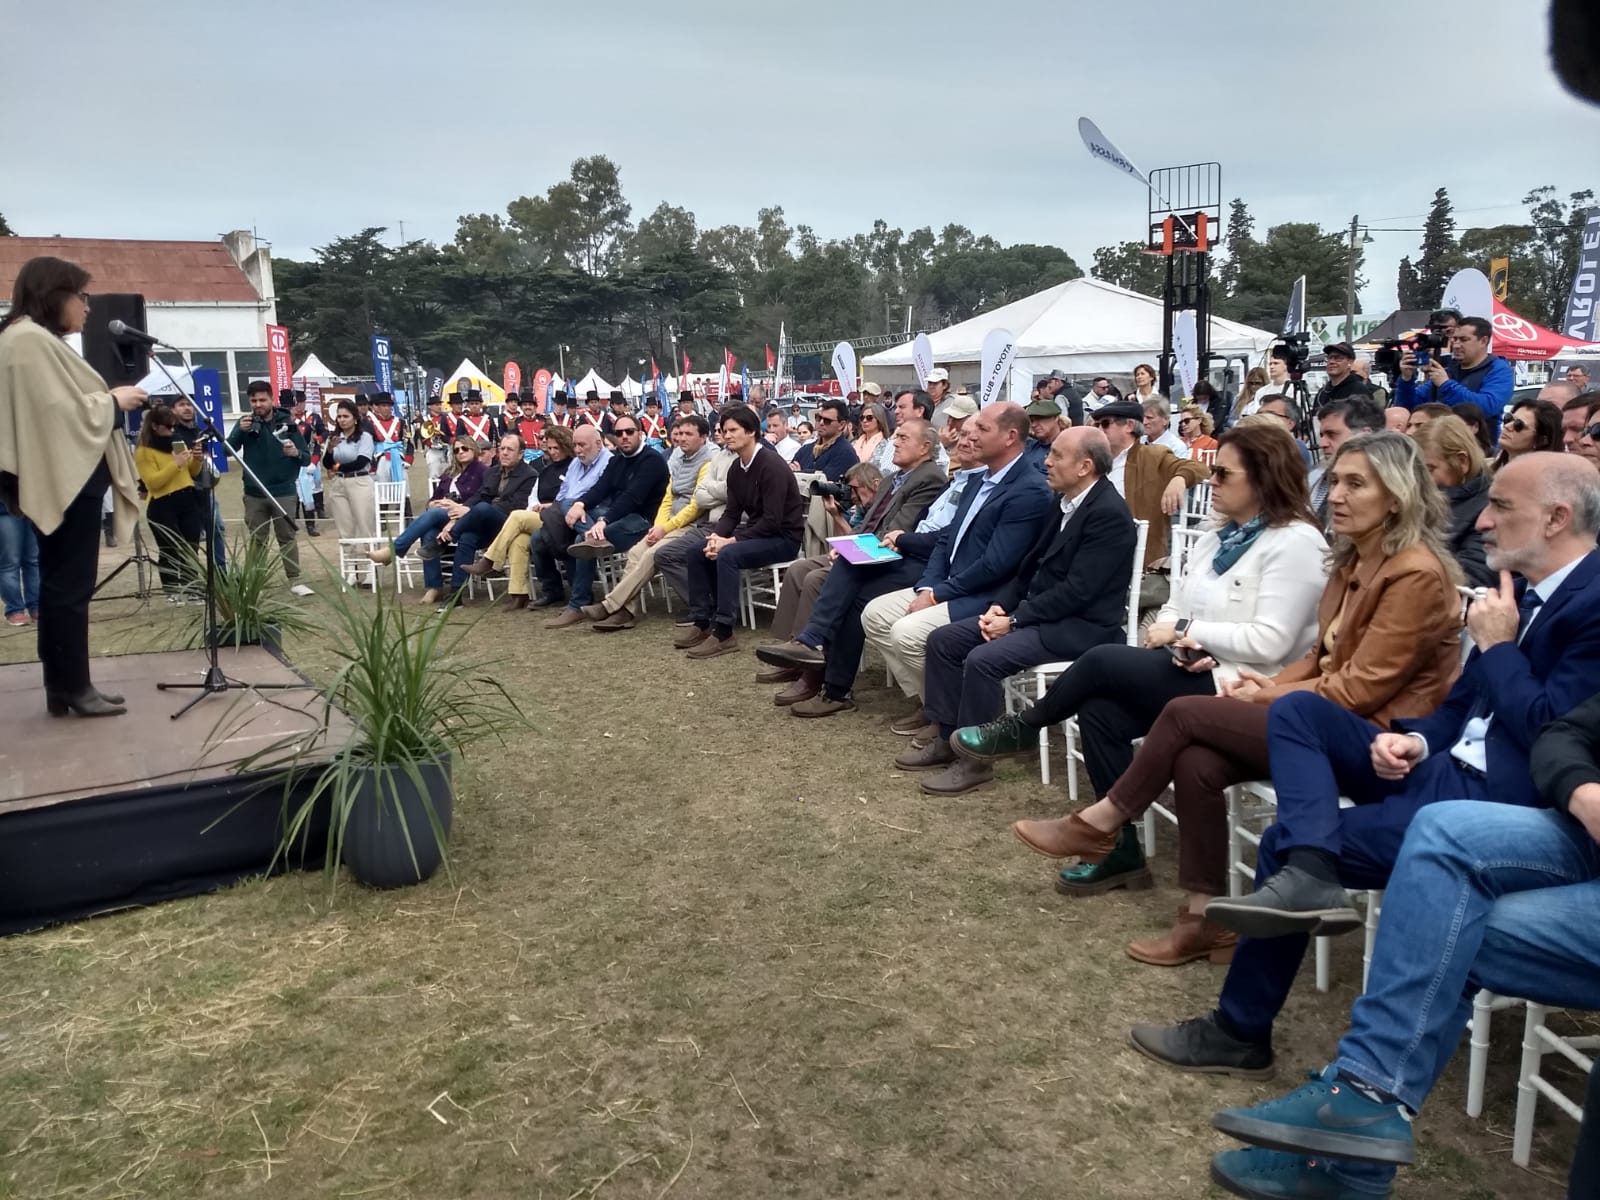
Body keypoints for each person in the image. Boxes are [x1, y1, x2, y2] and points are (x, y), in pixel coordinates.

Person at [1130, 455, 1600, 1117]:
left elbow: (1554, 733)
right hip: (1435, 771)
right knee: (1297, 723)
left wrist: (1497, 648)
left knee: (1279, 840)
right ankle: (1311, 876)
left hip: (1494, 810)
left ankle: (1242, 1027)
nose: (1485, 521)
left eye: (1501, 507)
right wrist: (1417, 738)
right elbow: (1460, 706)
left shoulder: (1588, 602)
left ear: (1557, 518)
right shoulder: (1513, 591)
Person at [1010, 433, 1464, 932]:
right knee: (1191, 756)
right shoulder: (1354, 558)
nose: (1334, 494)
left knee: (1145, 691)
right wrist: (1244, 677)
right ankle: (1203, 918)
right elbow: (1318, 657)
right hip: (1301, 709)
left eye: (1354, 484)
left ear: (1398, 496)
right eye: (1333, 480)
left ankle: (1098, 816)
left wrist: (1262, 688)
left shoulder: (1410, 572)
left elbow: (1355, 688)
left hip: (1379, 743)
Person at [1202, 689, 1600, 1199]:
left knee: (1444, 919)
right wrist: (1584, 790)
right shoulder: (1519, 605)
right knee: (1441, 848)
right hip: (1574, 824)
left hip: (1504, 789)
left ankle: (1354, 1126)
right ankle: (1359, 1117)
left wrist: (1499, 646)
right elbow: (1567, 731)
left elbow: (1374, 678)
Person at [956, 425, 1326, 957]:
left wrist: (1186, 635)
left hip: (1245, 686)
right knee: (1102, 713)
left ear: (1266, 479)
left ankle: (1027, 732)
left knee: (1102, 661)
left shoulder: (1294, 543)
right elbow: (1177, 602)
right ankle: (1125, 853)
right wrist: (1179, 632)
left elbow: (1273, 641)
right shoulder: (1223, 536)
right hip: (1193, 666)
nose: (1211, 481)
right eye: (1213, 470)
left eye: (1223, 473)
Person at [909, 427, 1139, 793]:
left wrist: (1014, 620)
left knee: (982, 660)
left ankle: (975, 763)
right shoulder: (1062, 501)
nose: (1046, 461)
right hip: (1035, 615)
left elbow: (1078, 592)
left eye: (1057, 456)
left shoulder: (1108, 514)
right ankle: (948, 735)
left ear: (1085, 466)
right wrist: (1001, 605)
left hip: (1078, 627)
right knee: (944, 641)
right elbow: (1028, 567)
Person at [799, 403, 1052, 720]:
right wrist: (930, 585)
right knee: (871, 612)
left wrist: (935, 593)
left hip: (984, 595)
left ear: (1010, 437)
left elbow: (996, 565)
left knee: (898, 624)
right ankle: (933, 700)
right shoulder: (976, 480)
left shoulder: (1028, 489)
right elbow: (947, 539)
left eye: (981, 431)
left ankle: (946, 711)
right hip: (944, 577)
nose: (968, 438)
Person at [0, 257, 143, 717]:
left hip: (73, 479)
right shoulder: (26, 341)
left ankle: (66, 684)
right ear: (53, 295)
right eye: (81, 297)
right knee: (67, 586)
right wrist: (113, 401)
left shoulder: (34, 340)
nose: (87, 308)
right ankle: (71, 686)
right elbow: (55, 416)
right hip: (64, 481)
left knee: (66, 585)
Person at [759, 420, 946, 704]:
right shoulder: (894, 477)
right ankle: (801, 657)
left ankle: (813, 654)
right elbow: (869, 522)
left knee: (822, 579)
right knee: (800, 569)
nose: (894, 442)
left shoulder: (929, 478)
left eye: (903, 437)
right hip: (872, 551)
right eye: (896, 436)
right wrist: (846, 544)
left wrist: (852, 549)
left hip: (899, 557)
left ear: (925, 447)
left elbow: (898, 531)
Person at [676, 405, 803, 658]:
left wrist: (730, 541)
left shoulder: (771, 465)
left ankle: (724, 632)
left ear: (752, 432)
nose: (727, 435)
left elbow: (773, 520)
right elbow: (732, 513)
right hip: (758, 532)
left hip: (783, 537)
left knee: (728, 554)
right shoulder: (736, 468)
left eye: (733, 430)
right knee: (696, 550)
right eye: (724, 430)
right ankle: (703, 621)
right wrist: (717, 537)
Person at [576, 413, 717, 631]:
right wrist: (658, 525)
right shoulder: (679, 458)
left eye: (690, 434)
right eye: (681, 434)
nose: (683, 439)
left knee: (652, 554)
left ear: (704, 437)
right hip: (667, 523)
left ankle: (610, 605)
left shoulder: (707, 462)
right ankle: (626, 612)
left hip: (693, 525)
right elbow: (668, 497)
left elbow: (696, 506)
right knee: (635, 553)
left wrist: (665, 527)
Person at [541, 412, 669, 627]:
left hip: (644, 520)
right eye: (619, 433)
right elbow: (600, 488)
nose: (624, 436)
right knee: (570, 507)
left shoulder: (652, 460)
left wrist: (604, 521)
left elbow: (632, 498)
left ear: (640, 433)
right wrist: (580, 505)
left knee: (583, 537)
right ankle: (593, 544)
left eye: (629, 432)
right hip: (616, 515)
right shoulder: (617, 459)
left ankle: (578, 604)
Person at [455, 427, 572, 610]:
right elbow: (534, 494)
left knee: (517, 516)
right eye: (550, 448)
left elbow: (574, 495)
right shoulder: (546, 470)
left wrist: (550, 506)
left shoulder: (573, 467)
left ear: (567, 446)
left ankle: (490, 561)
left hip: (562, 516)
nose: (553, 452)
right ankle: (520, 594)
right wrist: (534, 506)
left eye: (557, 448)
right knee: (519, 540)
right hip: (539, 515)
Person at [1088, 400, 1210, 575]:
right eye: (1097, 425)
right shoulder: (1094, 459)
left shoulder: (1152, 455)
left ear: (1129, 425)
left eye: (1105, 424)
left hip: (1134, 555)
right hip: (1094, 545)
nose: (1099, 430)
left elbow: (1199, 468)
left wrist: (1179, 479)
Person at [368, 438, 488, 603]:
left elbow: (482, 497)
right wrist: (433, 503)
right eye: (456, 450)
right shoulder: (449, 472)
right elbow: (434, 498)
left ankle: (394, 550)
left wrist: (455, 505)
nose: (460, 452)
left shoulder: (482, 471)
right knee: (429, 531)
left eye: (465, 448)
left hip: (466, 518)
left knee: (433, 515)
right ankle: (434, 587)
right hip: (443, 517)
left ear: (474, 450)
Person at [227, 381, 309, 590]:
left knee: (287, 537)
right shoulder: (244, 423)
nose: (258, 404)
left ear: (272, 399)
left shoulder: (288, 423)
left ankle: (294, 580)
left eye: (262, 400)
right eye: (254, 400)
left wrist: (295, 453)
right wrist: (239, 432)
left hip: (283, 491)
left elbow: (306, 458)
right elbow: (227, 450)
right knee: (257, 539)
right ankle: (256, 581)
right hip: (254, 493)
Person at [435, 434, 538, 596]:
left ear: (521, 454)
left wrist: (477, 510)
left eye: (510, 450)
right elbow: (480, 495)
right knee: (468, 537)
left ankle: (446, 539)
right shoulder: (492, 472)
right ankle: (455, 594)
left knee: (483, 508)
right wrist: (465, 508)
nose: (504, 453)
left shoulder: (530, 475)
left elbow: (516, 505)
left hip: (510, 523)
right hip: (486, 524)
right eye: (502, 449)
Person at [1395, 316, 1515, 439]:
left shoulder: (1499, 370)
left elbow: (1487, 407)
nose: (1456, 345)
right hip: (1439, 446)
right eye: (1455, 339)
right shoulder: (1449, 370)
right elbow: (1408, 408)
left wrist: (1446, 385)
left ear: (1483, 341)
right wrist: (1406, 379)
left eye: (1464, 339)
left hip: (1478, 450)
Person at [134, 405, 207, 603]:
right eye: (168, 426)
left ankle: (193, 587)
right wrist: (175, 464)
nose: (172, 430)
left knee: (191, 546)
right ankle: (172, 588)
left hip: (187, 499)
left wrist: (197, 460)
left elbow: (190, 472)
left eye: (174, 426)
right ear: (155, 426)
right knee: (170, 548)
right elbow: (153, 482)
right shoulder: (143, 452)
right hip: (162, 503)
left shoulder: (177, 443)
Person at [1413, 415, 1495, 587]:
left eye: (1430, 469)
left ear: (1462, 461)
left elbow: (1474, 576)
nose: (1421, 479)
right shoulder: (1420, 496)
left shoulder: (1492, 508)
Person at [1308, 397, 1385, 522]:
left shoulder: (1385, 481)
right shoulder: (1314, 477)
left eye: (1332, 434)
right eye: (1322, 435)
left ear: (1364, 435)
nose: (1322, 443)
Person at [321, 400, 378, 554]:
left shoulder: (364, 437)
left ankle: (369, 568)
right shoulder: (333, 438)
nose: (342, 420)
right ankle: (351, 568)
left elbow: (361, 462)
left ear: (355, 418)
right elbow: (327, 463)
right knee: (344, 527)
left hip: (359, 481)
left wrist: (337, 466)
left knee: (365, 525)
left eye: (346, 416)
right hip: (339, 483)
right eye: (339, 417)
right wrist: (331, 450)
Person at [792, 398, 859, 481]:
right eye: (818, 418)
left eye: (827, 421)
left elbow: (825, 482)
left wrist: (799, 474)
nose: (821, 423)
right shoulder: (805, 449)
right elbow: (789, 475)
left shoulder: (845, 452)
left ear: (841, 425)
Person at [1492, 397, 1563, 470]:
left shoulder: (1545, 477)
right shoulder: (1486, 469)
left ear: (1540, 440)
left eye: (1519, 425)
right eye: (1508, 418)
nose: (1507, 426)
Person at [0, 496, 39, 626]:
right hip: (4, 506)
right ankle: (15, 609)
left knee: (34, 561)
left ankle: (37, 606)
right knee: (10, 562)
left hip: (32, 506)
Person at [1314, 342, 1375, 407]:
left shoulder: (1359, 391)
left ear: (1350, 362)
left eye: (1338, 358)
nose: (1332, 362)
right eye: (1329, 358)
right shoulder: (1322, 393)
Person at [1022, 398, 1065, 473]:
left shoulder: (1067, 448)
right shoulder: (1029, 447)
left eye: (1040, 418)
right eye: (1032, 420)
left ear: (1056, 418)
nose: (1034, 425)